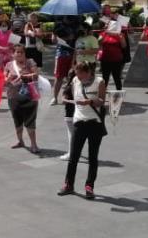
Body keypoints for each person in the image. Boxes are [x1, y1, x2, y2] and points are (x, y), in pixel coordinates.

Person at [59, 62, 106, 198]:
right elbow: (70, 93)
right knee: (73, 156)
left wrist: (90, 102)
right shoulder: (75, 80)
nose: (77, 76)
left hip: (94, 123)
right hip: (79, 122)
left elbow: (102, 101)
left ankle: (89, 186)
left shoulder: (99, 81)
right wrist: (66, 98)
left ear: (88, 72)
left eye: (79, 73)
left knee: (93, 157)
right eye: (76, 73)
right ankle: (68, 184)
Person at [4, 44, 40, 153]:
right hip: (13, 96)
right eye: (17, 52)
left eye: (21, 52)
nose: (19, 54)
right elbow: (3, 81)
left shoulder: (30, 62)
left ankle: (34, 144)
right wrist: (8, 79)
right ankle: (20, 141)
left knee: (30, 121)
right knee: (17, 120)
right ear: (13, 54)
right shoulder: (9, 65)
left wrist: (25, 76)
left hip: (29, 96)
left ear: (25, 54)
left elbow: (36, 75)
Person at [50, 20, 76, 104]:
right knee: (59, 77)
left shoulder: (77, 21)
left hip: (74, 53)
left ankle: (68, 96)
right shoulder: (58, 24)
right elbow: (53, 40)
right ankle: (55, 98)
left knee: (71, 76)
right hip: (61, 54)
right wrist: (66, 38)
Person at [98, 22, 126, 90]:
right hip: (105, 59)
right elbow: (99, 43)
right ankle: (102, 94)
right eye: (105, 25)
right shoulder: (103, 34)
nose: (105, 26)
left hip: (116, 60)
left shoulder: (119, 34)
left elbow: (124, 46)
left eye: (107, 25)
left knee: (117, 78)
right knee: (105, 78)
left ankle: (119, 94)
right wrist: (104, 34)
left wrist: (121, 38)